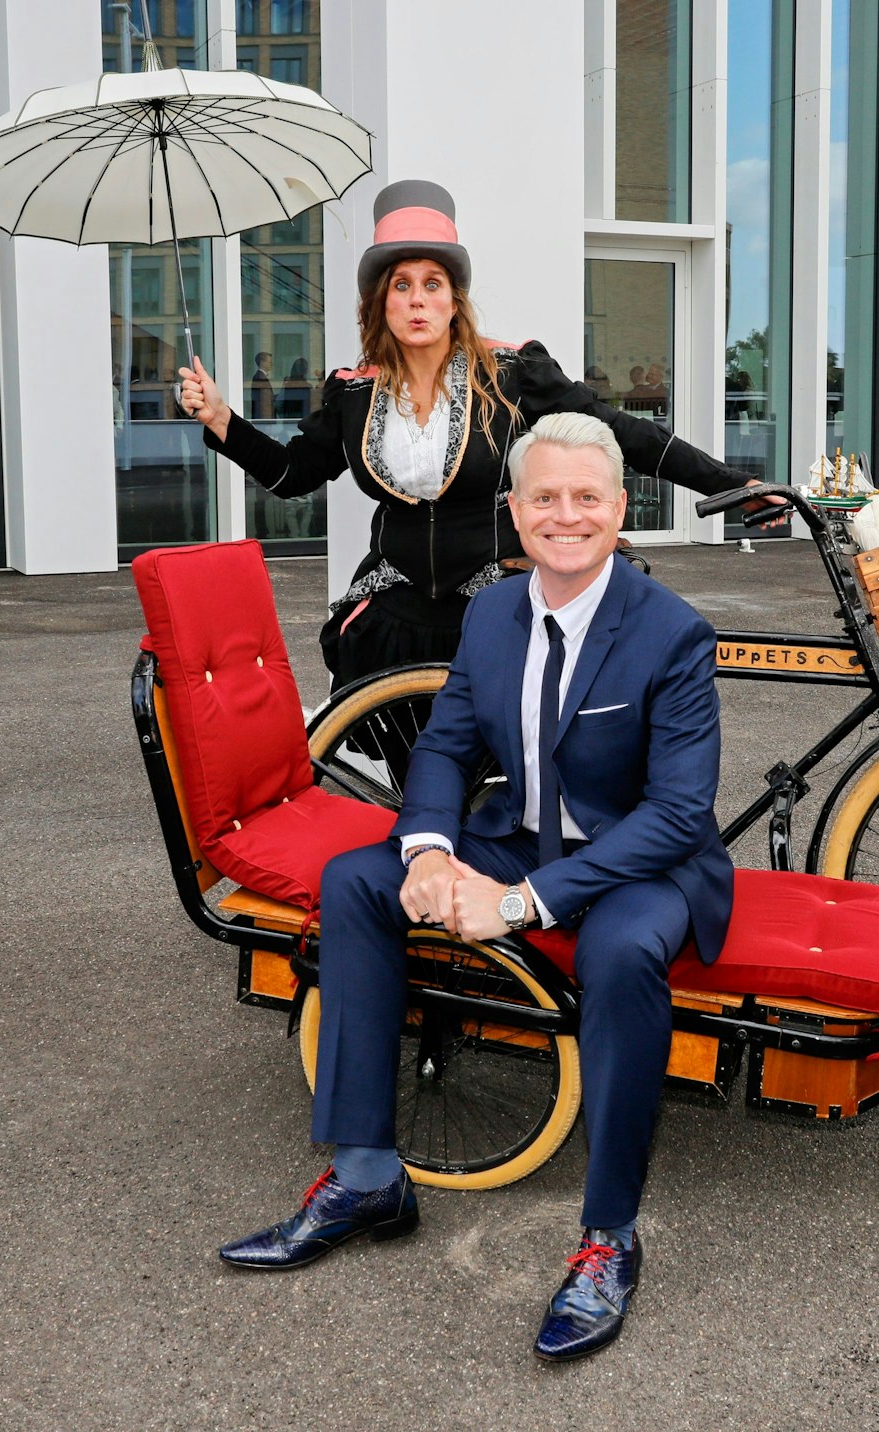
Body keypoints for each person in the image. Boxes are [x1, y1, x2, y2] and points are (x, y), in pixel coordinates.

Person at [218, 412, 734, 1365]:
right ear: (515, 510)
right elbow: (448, 746)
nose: (566, 516)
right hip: (518, 837)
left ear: (622, 510)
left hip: (643, 861)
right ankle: (367, 1175)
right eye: (546, 498)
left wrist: (520, 904)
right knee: (358, 881)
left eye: (587, 498)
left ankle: (610, 1238)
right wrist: (425, 852)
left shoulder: (672, 632)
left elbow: (675, 813)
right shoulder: (493, 612)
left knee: (621, 951)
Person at [178, 180, 767, 688]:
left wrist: (733, 485)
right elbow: (292, 475)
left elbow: (621, 433)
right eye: (401, 285)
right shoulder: (354, 392)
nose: (417, 301)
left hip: (497, 595)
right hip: (397, 606)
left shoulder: (512, 372)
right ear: (380, 303)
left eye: (432, 284)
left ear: (454, 301)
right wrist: (222, 419)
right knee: (408, 754)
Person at [247, 350, 276, 419]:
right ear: (262, 363)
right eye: (270, 362)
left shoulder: (260, 376)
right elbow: (265, 400)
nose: (271, 364)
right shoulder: (260, 378)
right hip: (264, 417)